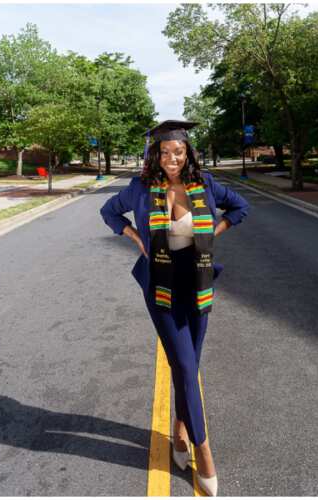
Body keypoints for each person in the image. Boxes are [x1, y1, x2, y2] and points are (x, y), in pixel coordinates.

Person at [99, 120, 249, 496]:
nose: (171, 159)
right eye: (164, 152)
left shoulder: (205, 185)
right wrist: (136, 240)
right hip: (161, 287)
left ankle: (180, 434)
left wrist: (211, 235)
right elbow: (109, 213)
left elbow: (240, 207)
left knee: (190, 366)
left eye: (178, 152)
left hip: (197, 284)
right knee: (183, 364)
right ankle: (204, 449)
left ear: (188, 153)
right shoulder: (140, 188)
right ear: (156, 154)